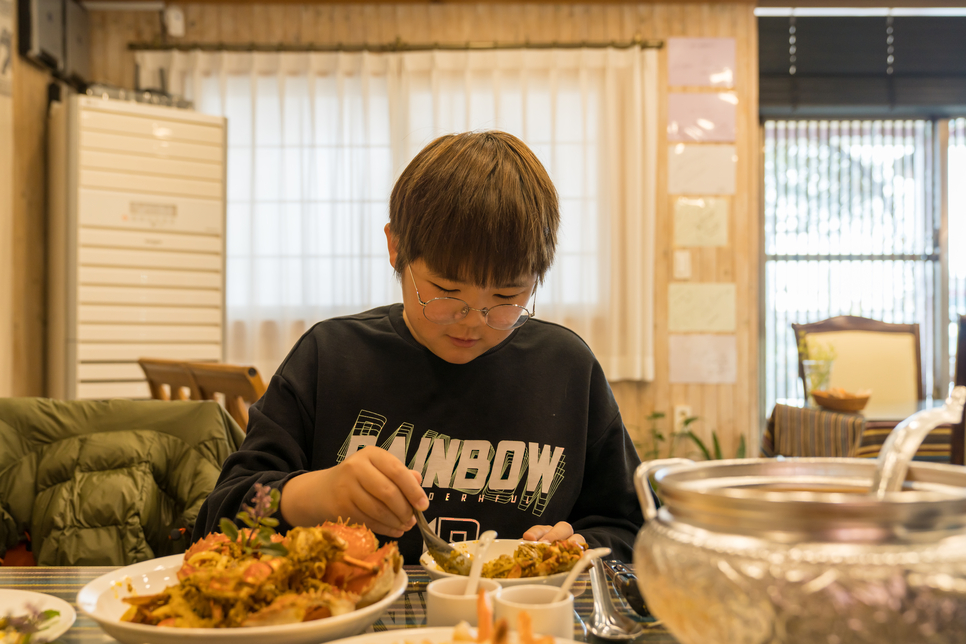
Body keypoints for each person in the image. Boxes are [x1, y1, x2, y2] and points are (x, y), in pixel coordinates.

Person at [195, 130, 644, 563]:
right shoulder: (331, 357)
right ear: (395, 248)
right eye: (447, 292)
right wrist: (316, 495)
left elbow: (632, 530)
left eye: (506, 299)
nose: (473, 321)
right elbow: (218, 518)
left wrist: (579, 546)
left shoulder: (566, 369)